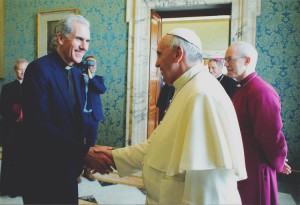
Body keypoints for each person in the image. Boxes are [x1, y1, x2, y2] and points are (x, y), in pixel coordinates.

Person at [92, 28, 247, 204]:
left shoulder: (202, 94)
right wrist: (114, 156)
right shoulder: (188, 87)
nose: (156, 63)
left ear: (178, 54)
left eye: (159, 54)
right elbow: (158, 144)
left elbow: (207, 184)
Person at [20, 14, 114, 204]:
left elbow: (75, 119)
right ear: (61, 39)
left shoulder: (77, 71)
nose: (85, 46)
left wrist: (85, 153)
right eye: (79, 39)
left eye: (87, 40)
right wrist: (83, 152)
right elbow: (40, 125)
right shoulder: (39, 69)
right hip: (43, 172)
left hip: (68, 169)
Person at [224, 41, 291, 205]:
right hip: (242, 162)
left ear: (246, 61)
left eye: (230, 59)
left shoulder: (261, 92)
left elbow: (271, 136)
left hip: (255, 166)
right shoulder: (243, 88)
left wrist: (279, 160)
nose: (226, 64)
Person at [0, 59, 28, 197]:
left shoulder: (34, 86)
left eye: (25, 69)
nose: (22, 72)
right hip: (11, 128)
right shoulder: (7, 88)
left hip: (29, 130)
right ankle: (9, 188)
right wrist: (16, 114)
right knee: (10, 158)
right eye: (19, 69)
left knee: (26, 159)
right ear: (14, 70)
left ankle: (24, 188)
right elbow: (2, 109)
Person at [78, 55, 107, 182]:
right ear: (85, 64)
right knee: (78, 144)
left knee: (90, 145)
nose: (92, 66)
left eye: (94, 64)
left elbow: (102, 90)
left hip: (94, 116)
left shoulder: (98, 79)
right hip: (80, 115)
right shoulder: (78, 78)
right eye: (89, 63)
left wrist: (91, 79)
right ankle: (77, 171)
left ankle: (88, 171)